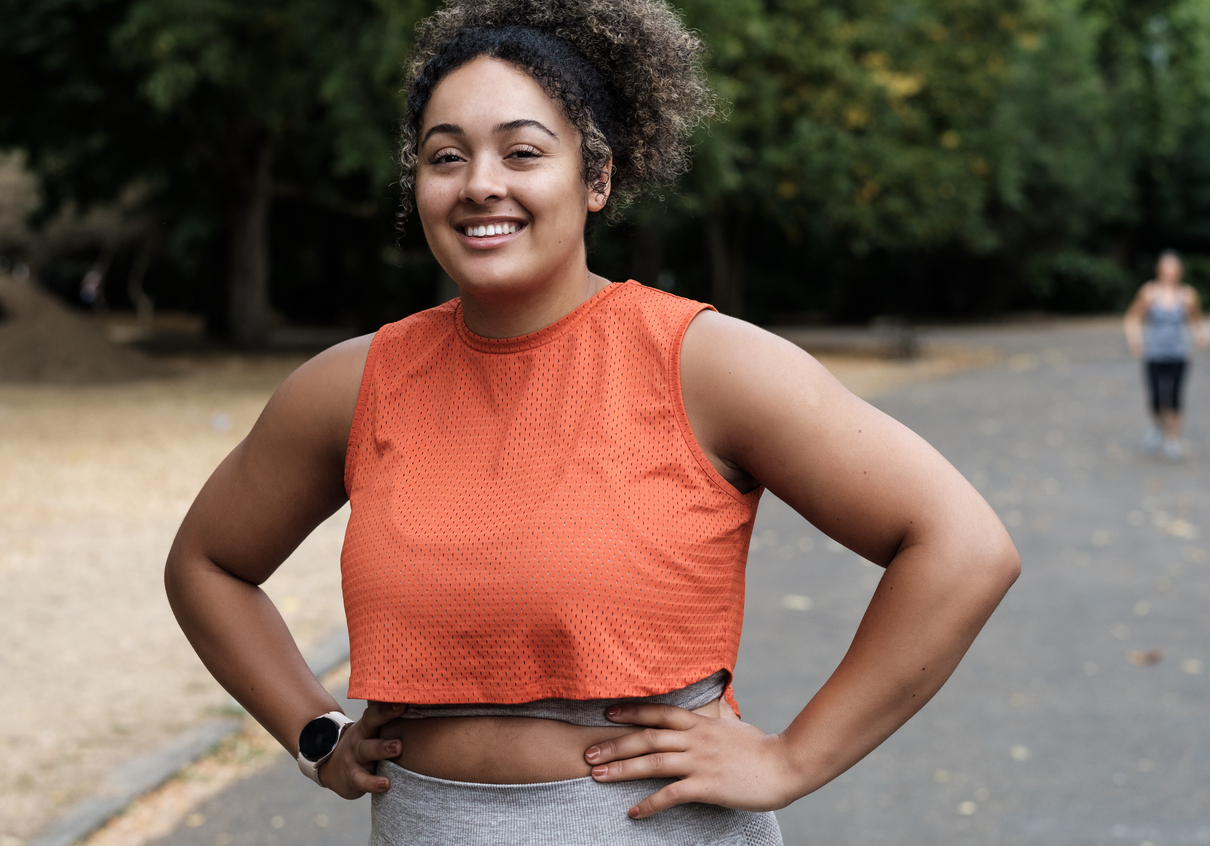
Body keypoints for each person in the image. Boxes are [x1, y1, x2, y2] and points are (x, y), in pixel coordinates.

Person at [165, 1, 1021, 843]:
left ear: (597, 177)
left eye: (523, 151)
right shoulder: (352, 385)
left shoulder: (702, 363)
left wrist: (792, 760)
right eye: (445, 157)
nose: (480, 184)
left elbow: (962, 546)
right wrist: (314, 732)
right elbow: (207, 564)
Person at [1123, 250, 1210, 461]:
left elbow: (1195, 321)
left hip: (1178, 353)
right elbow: (1131, 318)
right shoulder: (1149, 292)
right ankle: (1158, 427)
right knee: (1154, 399)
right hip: (1154, 353)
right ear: (1160, 270)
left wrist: (1200, 336)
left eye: (1174, 267)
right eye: (1166, 267)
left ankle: (1172, 439)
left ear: (1180, 271)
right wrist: (1134, 339)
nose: (1170, 271)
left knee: (1174, 398)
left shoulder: (1187, 295)